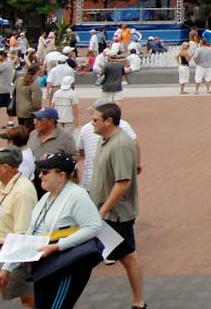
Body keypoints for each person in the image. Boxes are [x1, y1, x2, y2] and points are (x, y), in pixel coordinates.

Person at [0, 152, 103, 309]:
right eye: (40, 172)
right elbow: (29, 234)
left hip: (66, 264)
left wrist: (58, 246)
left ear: (61, 175)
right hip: (46, 264)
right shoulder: (46, 198)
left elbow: (94, 226)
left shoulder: (76, 195)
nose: (40, 176)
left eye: (45, 172)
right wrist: (7, 268)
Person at [87, 102, 147, 309]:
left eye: (95, 119)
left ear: (108, 121)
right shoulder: (104, 140)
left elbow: (123, 183)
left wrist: (103, 210)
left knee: (127, 256)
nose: (91, 123)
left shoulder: (120, 144)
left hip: (115, 215)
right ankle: (139, 301)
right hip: (103, 212)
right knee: (125, 256)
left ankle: (139, 301)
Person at [0, 146, 36, 309]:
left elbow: (22, 233)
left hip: (11, 255)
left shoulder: (23, 192)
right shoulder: (2, 184)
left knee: (29, 300)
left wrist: (7, 267)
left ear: (5, 167)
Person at [76, 100, 140, 190]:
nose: (92, 123)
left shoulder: (86, 129)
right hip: (105, 183)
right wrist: (137, 164)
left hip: (94, 182)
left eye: (95, 118)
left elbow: (81, 152)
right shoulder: (123, 126)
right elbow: (135, 144)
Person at [14, 64, 43, 130]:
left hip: (19, 109)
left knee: (21, 130)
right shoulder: (34, 83)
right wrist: (40, 108)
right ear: (37, 71)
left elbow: (13, 92)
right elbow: (36, 101)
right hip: (30, 111)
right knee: (29, 131)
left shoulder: (19, 80)